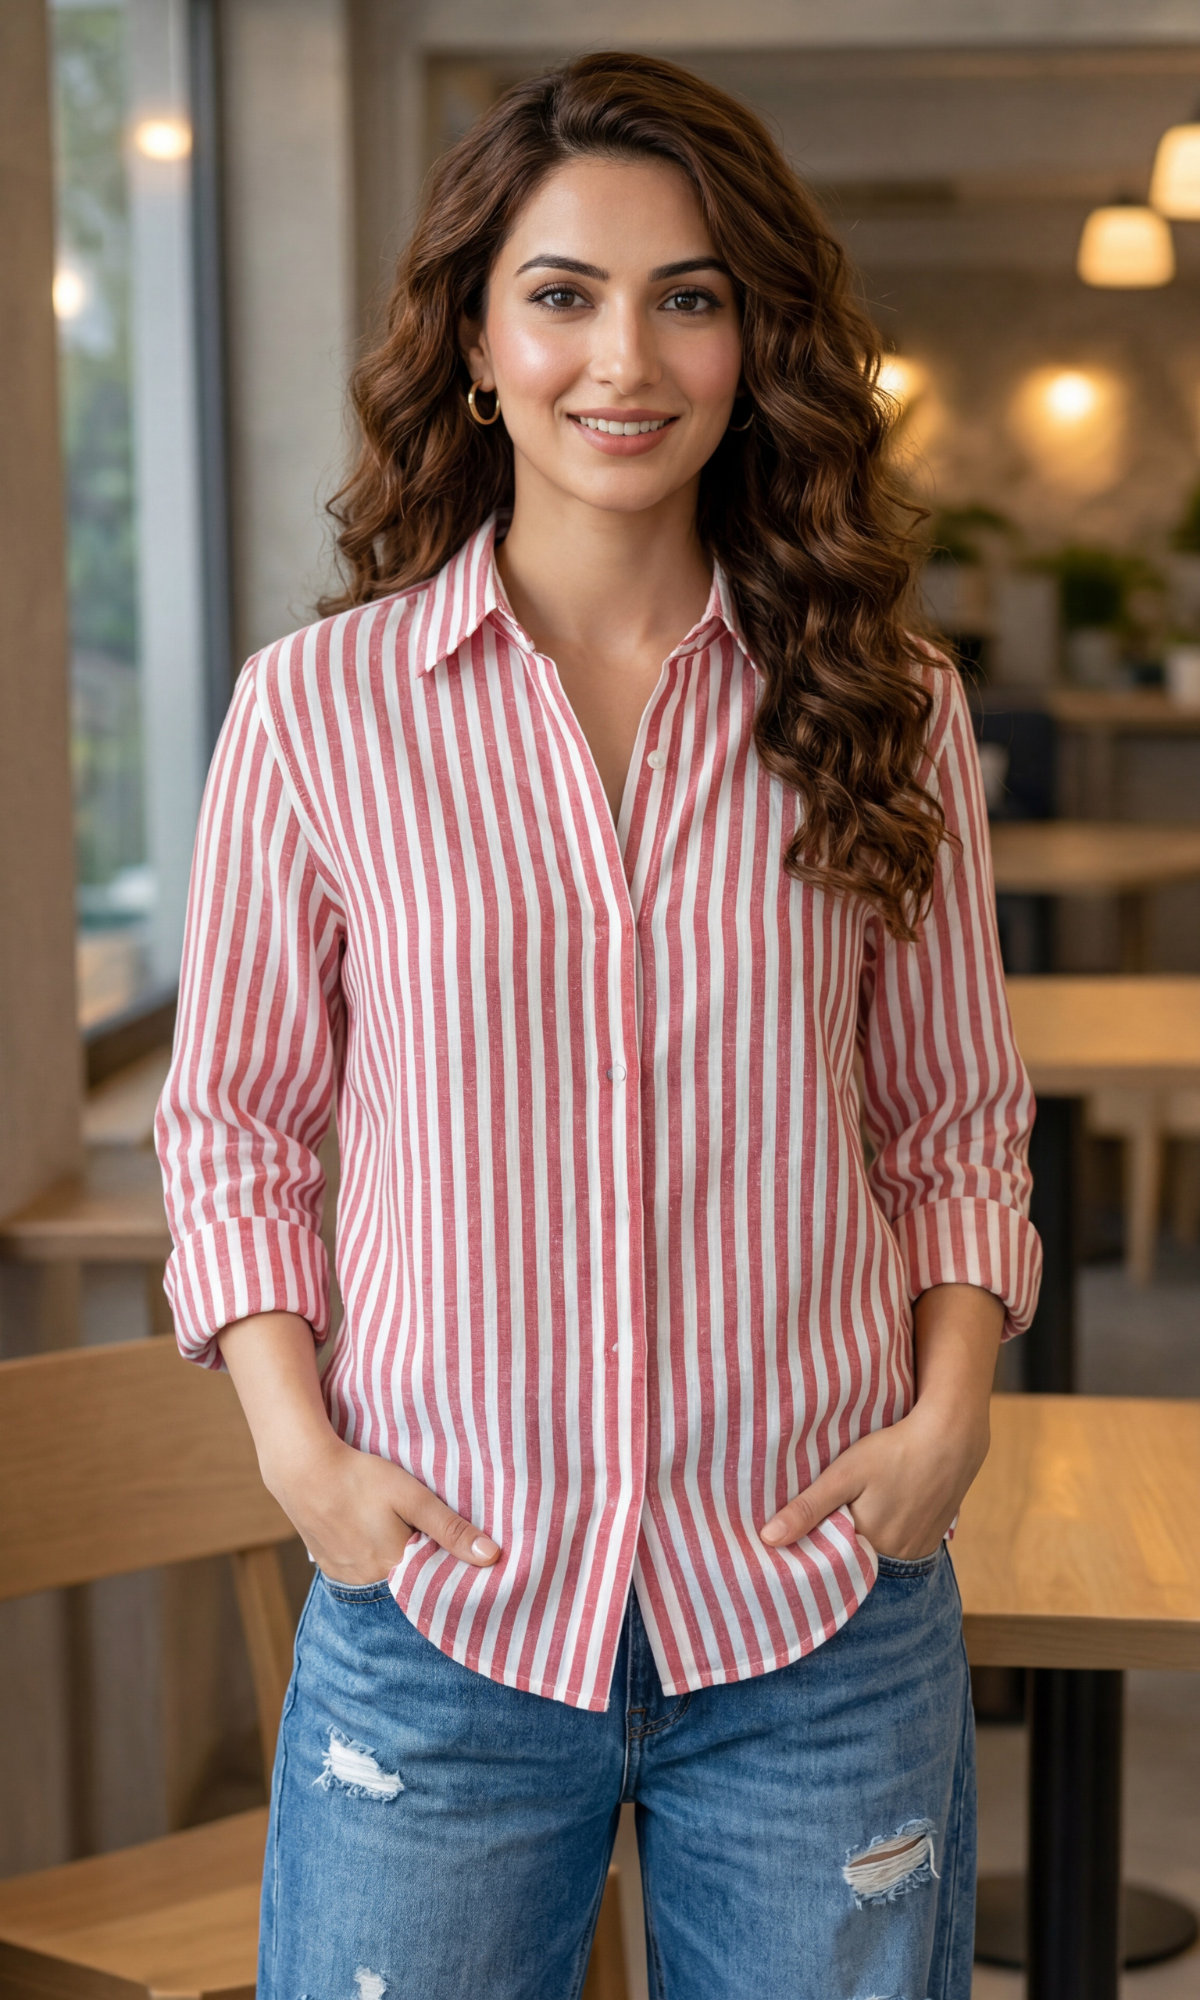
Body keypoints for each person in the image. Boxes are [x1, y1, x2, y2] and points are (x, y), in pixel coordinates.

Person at [157, 50, 1040, 2000]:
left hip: (817, 1608)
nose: (622, 357)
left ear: (754, 343)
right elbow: (230, 1122)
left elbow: (955, 1124)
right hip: (446, 1606)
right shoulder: (319, 713)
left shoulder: (888, 705)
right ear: (475, 343)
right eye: (561, 293)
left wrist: (949, 1419)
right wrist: (302, 1455)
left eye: (689, 296)